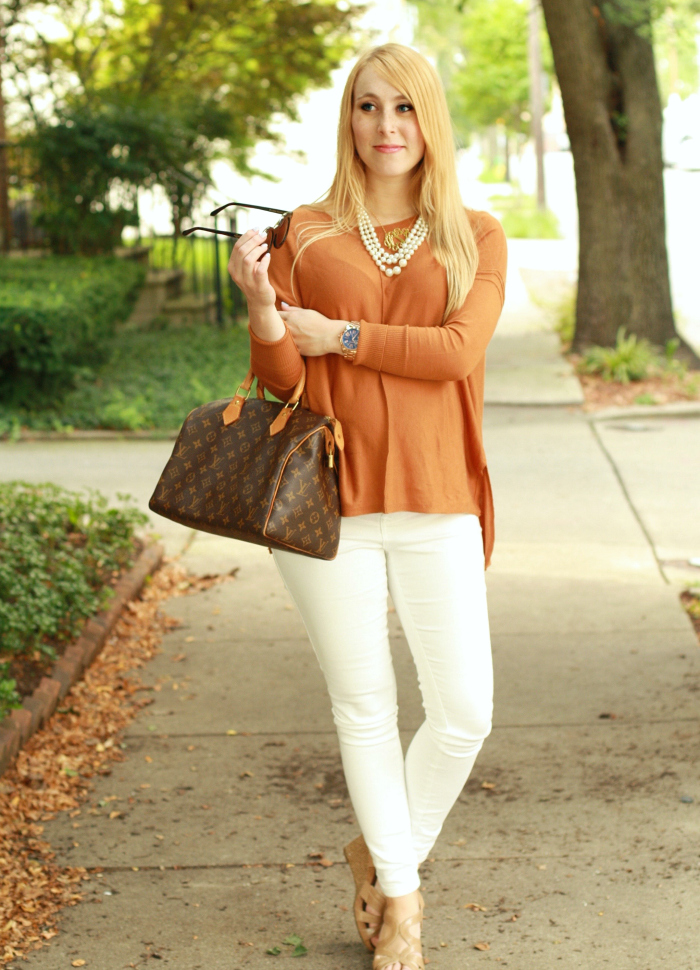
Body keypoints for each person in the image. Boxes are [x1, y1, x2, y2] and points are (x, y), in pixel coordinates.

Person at [228, 42, 507, 970]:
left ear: (431, 121)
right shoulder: (303, 231)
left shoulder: (476, 233)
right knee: (365, 706)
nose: (387, 128)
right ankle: (405, 902)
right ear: (347, 119)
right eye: (368, 107)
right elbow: (281, 375)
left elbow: (456, 353)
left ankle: (380, 853)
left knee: (464, 710)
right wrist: (267, 312)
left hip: (438, 494)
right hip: (327, 499)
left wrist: (340, 332)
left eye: (405, 109)